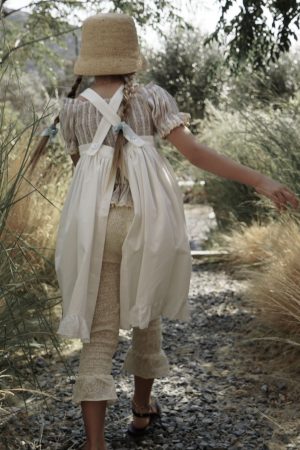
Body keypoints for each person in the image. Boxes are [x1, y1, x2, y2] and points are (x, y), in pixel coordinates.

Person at [30, 12, 299, 450]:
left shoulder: (73, 110)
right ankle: (140, 415)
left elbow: (82, 171)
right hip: (145, 221)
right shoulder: (151, 98)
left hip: (92, 227)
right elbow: (194, 154)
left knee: (99, 335)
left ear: (89, 59)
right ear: (131, 56)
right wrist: (260, 180)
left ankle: (95, 444)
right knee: (145, 311)